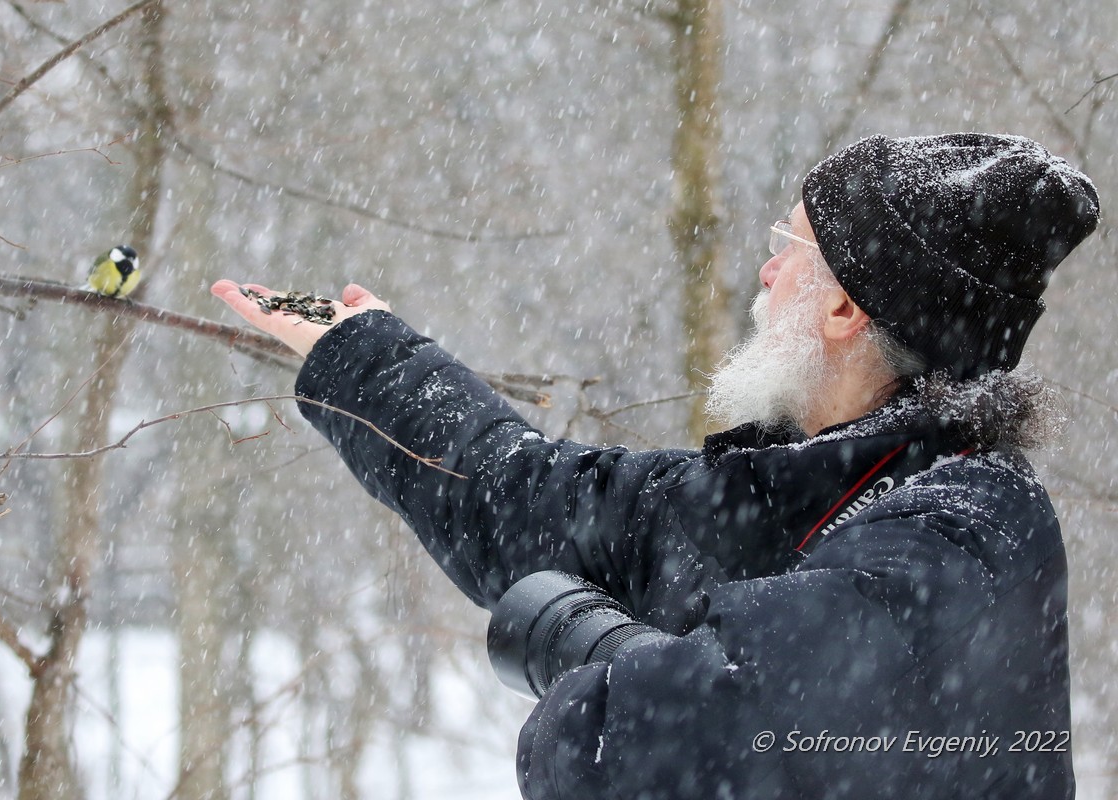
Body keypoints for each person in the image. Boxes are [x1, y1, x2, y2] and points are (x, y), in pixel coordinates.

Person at [212, 132, 1099, 799]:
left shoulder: (961, 540)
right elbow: (528, 497)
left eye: (786, 249)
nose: (763, 271)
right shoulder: (808, 487)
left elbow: (645, 751)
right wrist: (368, 355)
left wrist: (598, 661)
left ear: (840, 308)